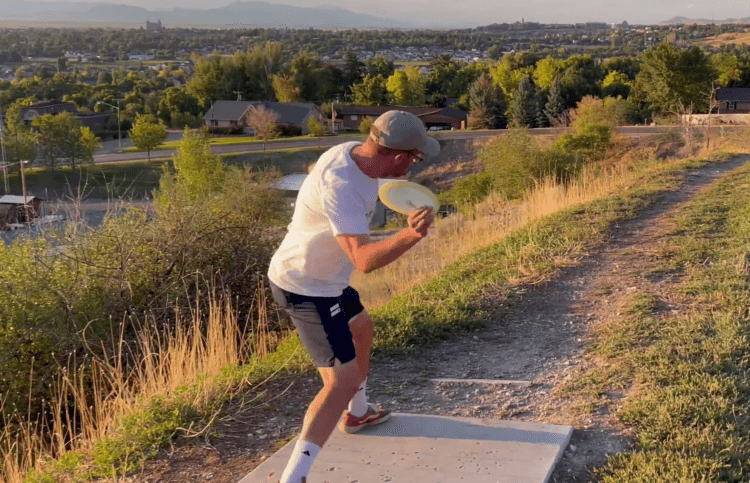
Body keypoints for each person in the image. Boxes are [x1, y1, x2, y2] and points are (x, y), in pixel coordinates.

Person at [267, 110, 440, 483]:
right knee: (340, 382)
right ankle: (294, 477)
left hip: (327, 280)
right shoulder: (342, 186)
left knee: (361, 327)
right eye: (414, 157)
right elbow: (363, 260)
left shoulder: (351, 151)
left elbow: (319, 171)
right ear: (398, 155)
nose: (414, 164)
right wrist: (410, 235)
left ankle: (357, 414)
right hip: (305, 287)